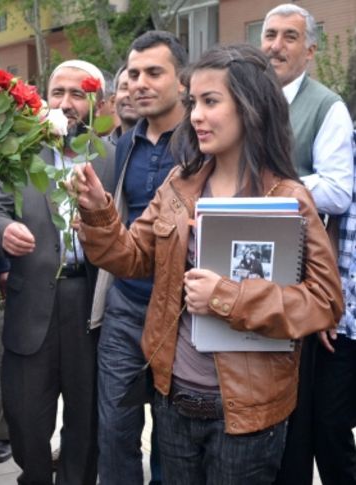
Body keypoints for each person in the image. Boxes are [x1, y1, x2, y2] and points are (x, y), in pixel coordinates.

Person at [73, 43, 343, 484]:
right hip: (174, 400)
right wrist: (100, 212)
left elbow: (324, 301)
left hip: (248, 414)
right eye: (193, 102)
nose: (196, 115)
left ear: (250, 107)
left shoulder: (288, 198)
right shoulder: (180, 185)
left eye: (211, 101)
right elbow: (133, 257)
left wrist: (227, 297)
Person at [0, 59, 115, 485]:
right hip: (31, 303)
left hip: (90, 304)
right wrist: (3, 231)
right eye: (57, 93)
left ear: (96, 102)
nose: (66, 103)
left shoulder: (113, 156)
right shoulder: (18, 151)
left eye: (78, 94)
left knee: (86, 418)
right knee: (24, 416)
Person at [260, 6, 355, 483]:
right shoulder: (248, 99)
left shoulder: (326, 105)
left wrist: (272, 189)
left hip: (302, 280)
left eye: (289, 37)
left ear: (311, 50)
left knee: (306, 419)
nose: (276, 45)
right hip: (248, 277)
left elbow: (339, 190)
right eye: (270, 34)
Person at [90, 30, 187, 485]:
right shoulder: (120, 147)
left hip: (184, 313)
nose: (140, 83)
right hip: (126, 308)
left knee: (173, 439)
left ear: (182, 81)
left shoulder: (203, 143)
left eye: (154, 72)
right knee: (115, 430)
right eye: (133, 74)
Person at [319, 150, 356, 483]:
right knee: (329, 426)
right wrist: (329, 301)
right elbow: (332, 222)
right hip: (344, 321)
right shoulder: (348, 145)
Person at [107, 64, 138, 144]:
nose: (130, 95)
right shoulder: (98, 150)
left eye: (138, 89)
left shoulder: (172, 149)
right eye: (125, 88)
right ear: (113, 102)